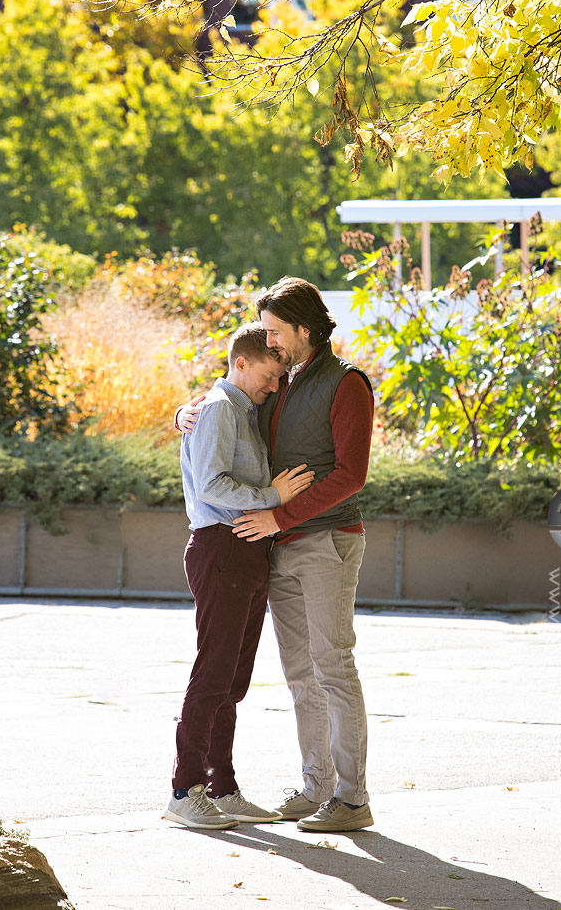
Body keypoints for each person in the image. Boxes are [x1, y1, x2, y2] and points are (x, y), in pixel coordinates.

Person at [177, 278, 375, 832]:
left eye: (275, 330)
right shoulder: (278, 382)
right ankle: (316, 786)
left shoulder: (346, 384)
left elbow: (351, 474)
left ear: (303, 330)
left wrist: (280, 515)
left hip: (326, 539)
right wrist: (184, 415)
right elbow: (226, 410)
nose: (269, 341)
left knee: (332, 664)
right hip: (274, 545)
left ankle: (352, 797)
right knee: (299, 673)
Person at [165, 322, 314, 830]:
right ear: (241, 364)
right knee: (213, 675)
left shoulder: (242, 409)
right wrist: (275, 497)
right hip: (221, 549)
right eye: (269, 376)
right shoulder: (219, 409)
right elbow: (210, 485)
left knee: (233, 681)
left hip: (247, 552)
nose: (274, 387)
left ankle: (222, 787)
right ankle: (185, 790)